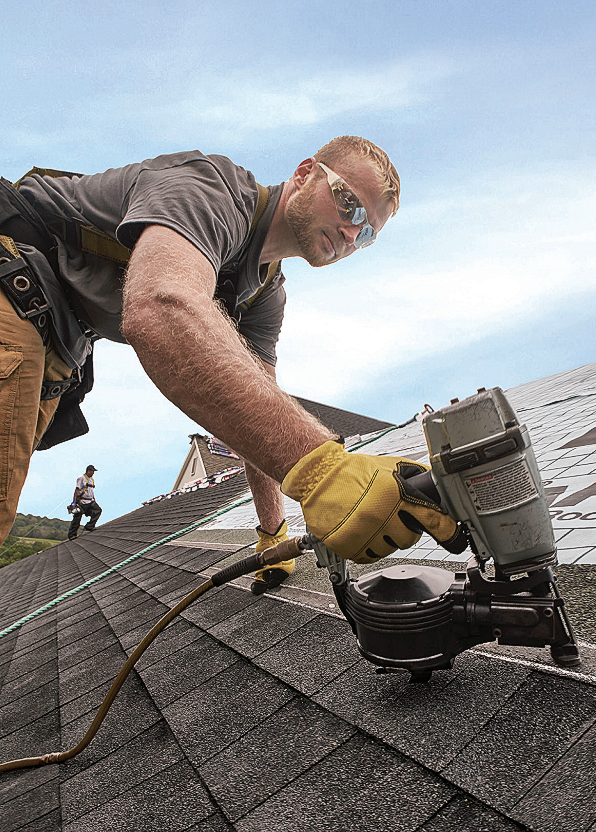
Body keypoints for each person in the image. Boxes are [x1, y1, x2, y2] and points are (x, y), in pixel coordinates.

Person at [0, 137, 464, 592]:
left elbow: (256, 406)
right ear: (304, 175)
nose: (350, 232)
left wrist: (272, 533)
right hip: (12, 278)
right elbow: (161, 308)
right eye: (349, 205)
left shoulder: (264, 296)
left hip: (54, 341)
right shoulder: (210, 189)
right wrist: (324, 470)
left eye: (365, 233)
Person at [67, 464, 102, 540]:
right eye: (92, 471)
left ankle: (89, 526)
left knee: (98, 510)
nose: (93, 473)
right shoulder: (81, 478)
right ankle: (72, 535)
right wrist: (74, 501)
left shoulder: (91, 479)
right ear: (88, 471)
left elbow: (91, 490)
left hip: (90, 501)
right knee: (77, 517)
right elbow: (77, 489)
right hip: (82, 501)